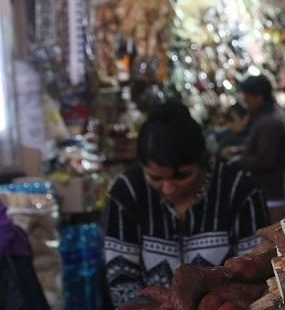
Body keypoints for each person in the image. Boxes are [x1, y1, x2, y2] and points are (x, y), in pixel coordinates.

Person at [103, 102, 269, 308]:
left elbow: (256, 273)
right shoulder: (127, 192)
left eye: (182, 176)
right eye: (155, 178)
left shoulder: (239, 189)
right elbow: (121, 282)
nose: (169, 188)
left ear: (203, 161)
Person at [238, 75, 285, 220]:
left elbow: (266, 160)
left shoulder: (269, 122)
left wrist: (240, 161)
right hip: (268, 193)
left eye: (247, 96)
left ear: (259, 97)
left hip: (270, 195)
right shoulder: (266, 118)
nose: (245, 100)